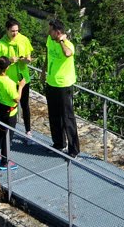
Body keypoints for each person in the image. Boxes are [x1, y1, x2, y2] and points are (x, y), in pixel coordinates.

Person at [0, 17, 34, 139]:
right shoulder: (1, 43)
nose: (15, 33)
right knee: (8, 107)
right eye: (12, 31)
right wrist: (9, 60)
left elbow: (29, 58)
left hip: (22, 78)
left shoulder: (24, 39)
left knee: (25, 105)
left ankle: (28, 132)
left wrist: (27, 60)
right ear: (7, 30)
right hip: (8, 81)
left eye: (16, 30)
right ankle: (6, 132)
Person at [45, 18, 79, 157]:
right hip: (51, 83)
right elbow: (48, 55)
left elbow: (67, 53)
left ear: (57, 32)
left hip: (64, 85)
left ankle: (73, 149)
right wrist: (43, 71)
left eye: (51, 30)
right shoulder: (49, 39)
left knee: (67, 118)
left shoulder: (68, 45)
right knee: (54, 116)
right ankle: (58, 144)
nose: (48, 32)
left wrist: (61, 41)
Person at [0, 56, 22, 170]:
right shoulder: (9, 83)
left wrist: (7, 61)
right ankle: (4, 162)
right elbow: (16, 99)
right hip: (9, 113)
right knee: (7, 137)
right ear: (7, 68)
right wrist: (21, 87)